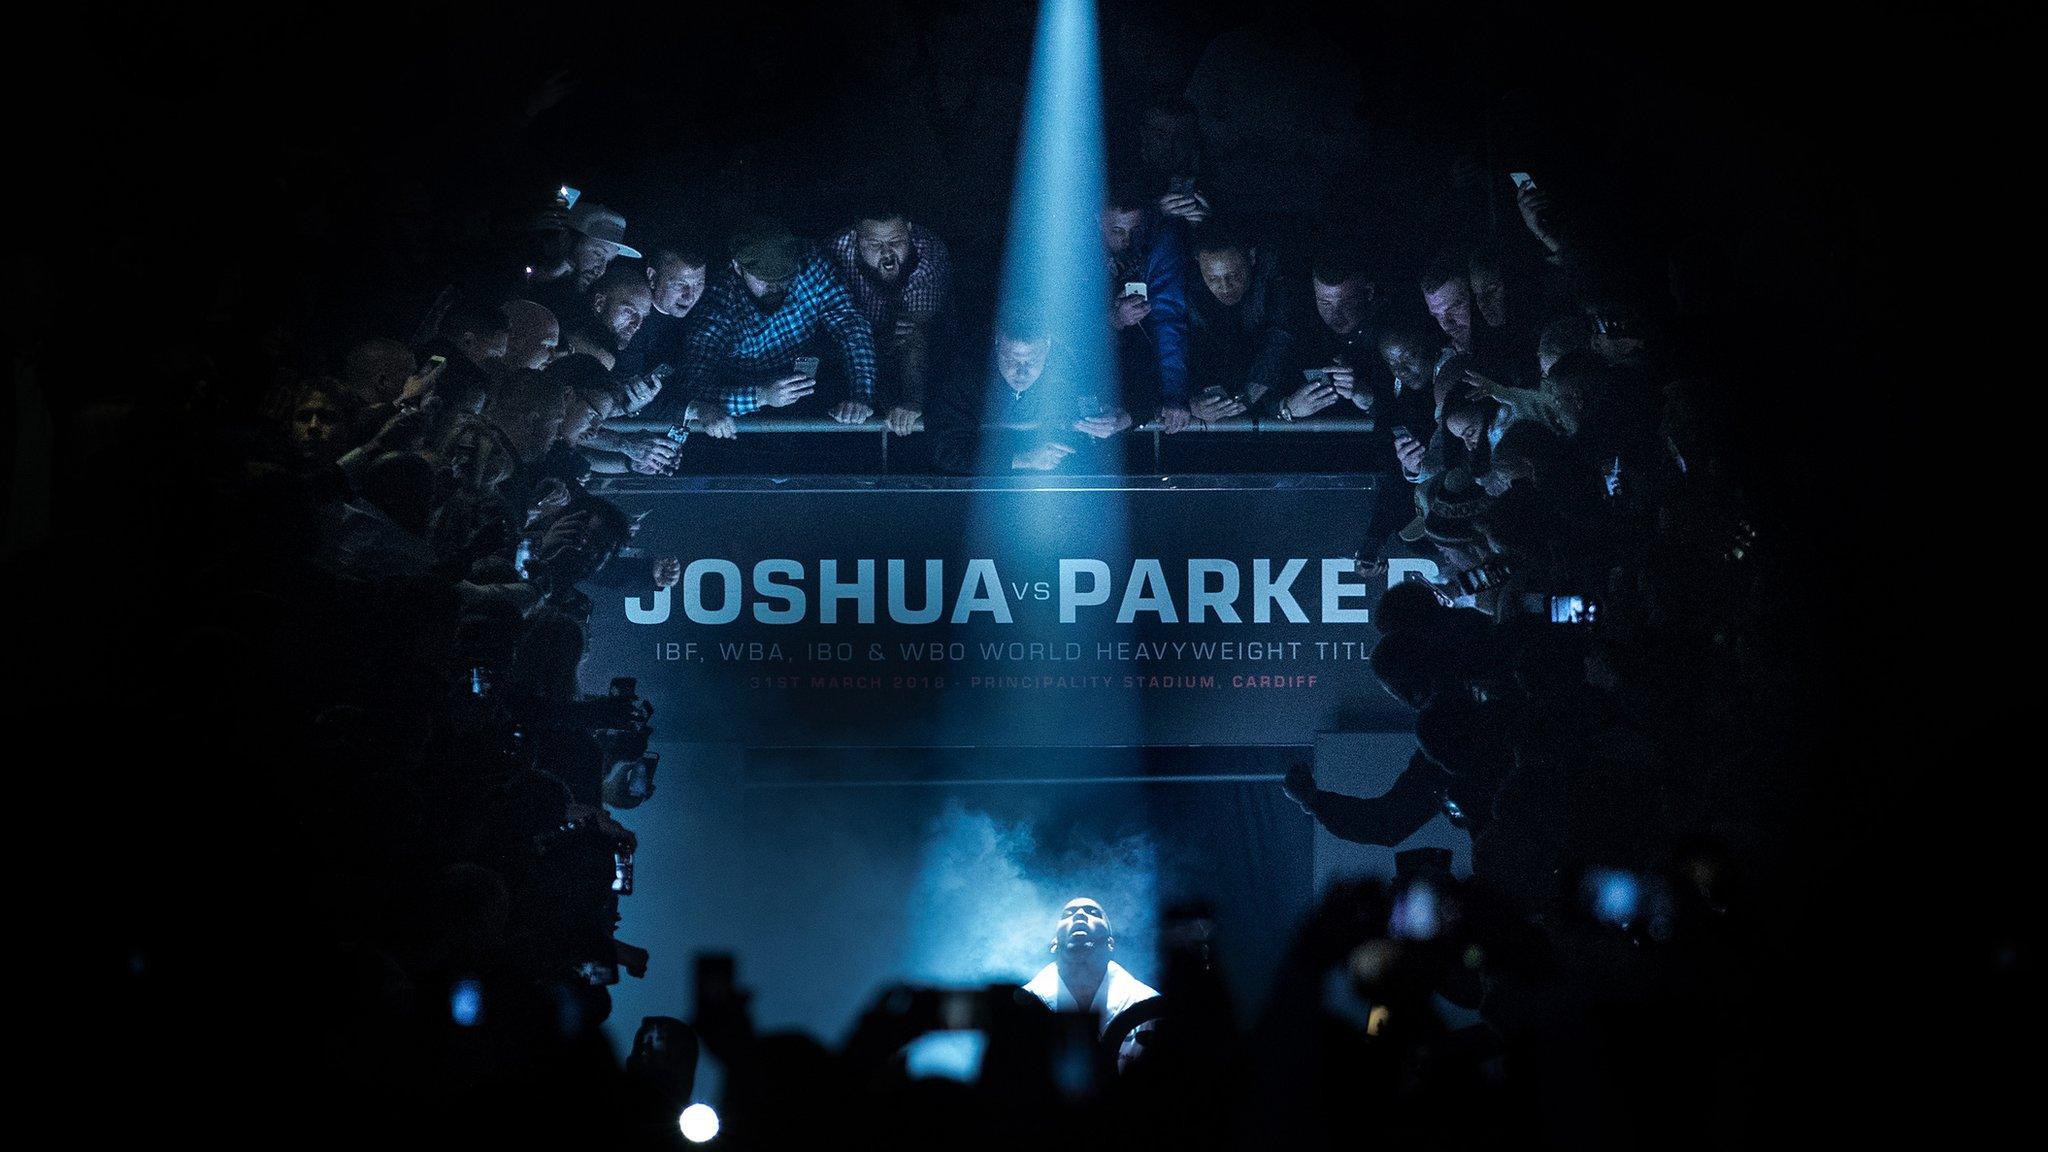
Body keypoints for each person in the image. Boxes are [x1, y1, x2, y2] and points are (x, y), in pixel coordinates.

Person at [677, 218, 879, 425]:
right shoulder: (718, 303)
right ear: (738, 267)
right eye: (764, 279)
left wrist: (861, 395)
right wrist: (761, 396)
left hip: (815, 387)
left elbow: (850, 326)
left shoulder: (811, 261)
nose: (774, 287)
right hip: (748, 409)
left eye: (783, 277)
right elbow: (694, 387)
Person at [927, 317, 1130, 474]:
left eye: (1032, 361)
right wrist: (1023, 459)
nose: (1021, 373)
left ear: (1048, 346)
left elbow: (1141, 393)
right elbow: (946, 451)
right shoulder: (964, 374)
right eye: (1012, 360)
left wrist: (1124, 418)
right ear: (997, 343)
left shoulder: (1073, 370)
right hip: (982, 497)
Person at [828, 206, 955, 436]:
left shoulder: (929, 252)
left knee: (912, 334)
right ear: (857, 239)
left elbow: (914, 337)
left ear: (909, 231)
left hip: (913, 353)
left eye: (896, 241)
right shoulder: (836, 250)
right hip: (851, 351)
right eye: (875, 244)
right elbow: (839, 326)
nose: (887, 253)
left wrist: (912, 403)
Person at [1021, 896, 1160, 1062]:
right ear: (1054, 943)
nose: (1080, 914)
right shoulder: (1024, 1007)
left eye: (1093, 913)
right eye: (1068, 914)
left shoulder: (1149, 1007)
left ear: (1110, 943)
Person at [1101, 180, 1192, 431]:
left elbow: (1169, 320)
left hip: (1146, 365)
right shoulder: (1072, 248)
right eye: (1118, 231)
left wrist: (1174, 395)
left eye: (1135, 230)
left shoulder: (1161, 243)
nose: (1128, 240)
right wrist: (1114, 319)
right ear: (1097, 220)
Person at [1185, 223, 1296, 423]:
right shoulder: (1189, 287)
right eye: (1213, 279)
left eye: (1234, 275)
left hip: (1275, 395)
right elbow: (1187, 345)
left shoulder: (1275, 271)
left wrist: (1251, 392)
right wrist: (1191, 403)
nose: (1225, 287)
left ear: (1252, 257)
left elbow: (1281, 335)